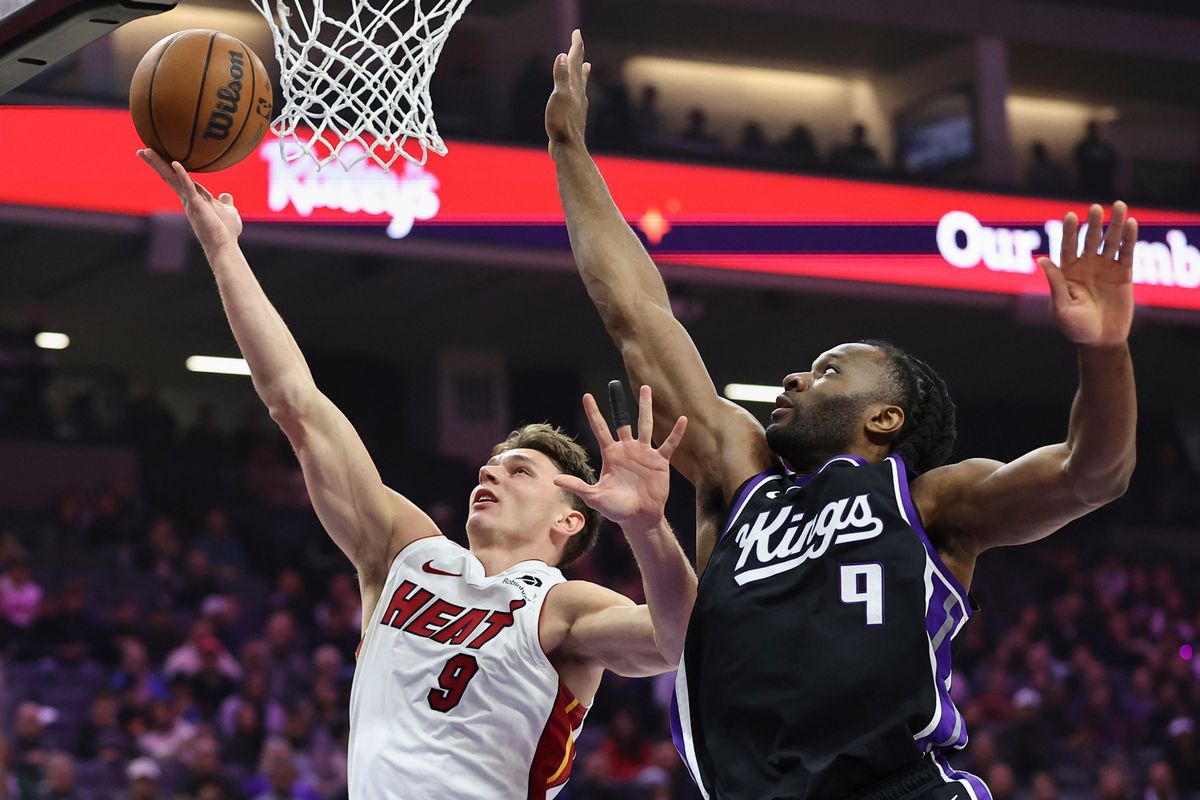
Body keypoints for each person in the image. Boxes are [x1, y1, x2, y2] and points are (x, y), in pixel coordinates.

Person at [546, 30, 1138, 799]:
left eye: (828, 371)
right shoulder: (739, 475)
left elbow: (1093, 474)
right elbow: (635, 314)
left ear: (885, 418)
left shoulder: (930, 502)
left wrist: (1104, 350)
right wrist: (568, 148)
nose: (796, 376)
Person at [137, 148, 698, 800]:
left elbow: (680, 643)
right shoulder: (406, 552)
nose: (491, 473)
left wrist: (648, 527)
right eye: (490, 465)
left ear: (570, 518)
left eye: (519, 470)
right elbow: (297, 405)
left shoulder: (563, 605)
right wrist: (222, 249)